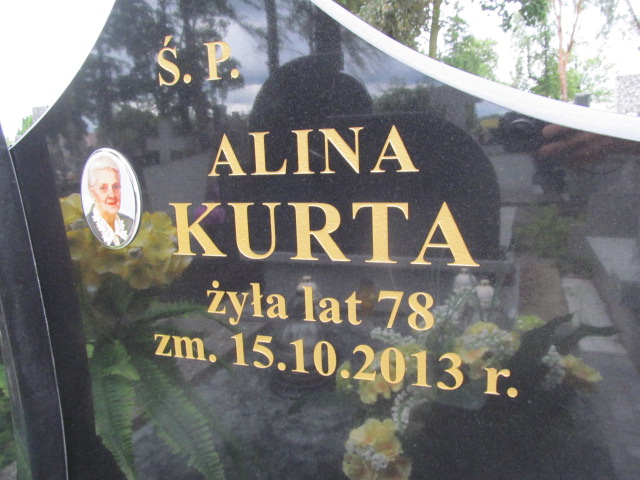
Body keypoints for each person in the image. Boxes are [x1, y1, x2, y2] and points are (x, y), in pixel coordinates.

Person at [85, 155, 133, 247]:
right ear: (92, 192)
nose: (112, 195)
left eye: (116, 186)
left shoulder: (130, 223)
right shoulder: (85, 228)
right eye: (103, 188)